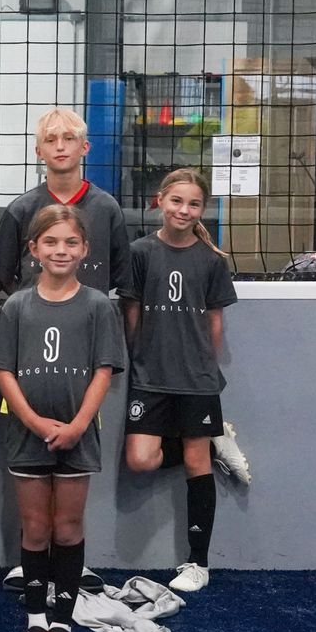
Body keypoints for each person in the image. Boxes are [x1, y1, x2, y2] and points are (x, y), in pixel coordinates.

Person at [0, 205, 128, 632]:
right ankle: (35, 623)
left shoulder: (99, 305)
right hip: (28, 435)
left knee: (66, 528)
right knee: (36, 527)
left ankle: (62, 622)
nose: (60, 250)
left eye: (70, 242)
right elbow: (3, 372)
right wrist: (34, 422)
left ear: (84, 249)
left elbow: (104, 371)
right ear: (33, 250)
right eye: (50, 242)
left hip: (78, 434)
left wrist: (80, 424)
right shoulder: (17, 306)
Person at [119, 168, 240, 593]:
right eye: (176, 201)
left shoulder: (211, 260)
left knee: (194, 463)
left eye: (193, 204)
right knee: (140, 459)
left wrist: (201, 365)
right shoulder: (140, 252)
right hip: (149, 376)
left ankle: (198, 562)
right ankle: (211, 439)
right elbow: (131, 312)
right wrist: (140, 358)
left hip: (196, 379)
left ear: (202, 209)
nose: (183, 210)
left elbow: (215, 323)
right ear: (160, 202)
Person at [0, 107, 132, 296]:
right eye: (50, 140)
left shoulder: (107, 208)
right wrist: (29, 301)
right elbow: (2, 272)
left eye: (69, 138)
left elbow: (119, 271)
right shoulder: (21, 209)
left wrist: (85, 299)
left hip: (90, 320)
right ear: (39, 151)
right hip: (34, 321)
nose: (59, 146)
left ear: (85, 147)